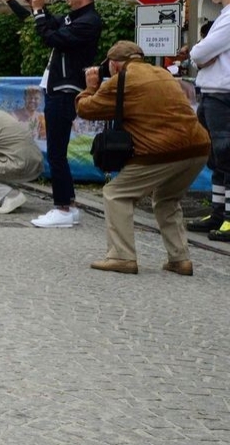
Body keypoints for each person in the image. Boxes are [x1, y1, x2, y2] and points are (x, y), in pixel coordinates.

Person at [76, 42, 210, 275]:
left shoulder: (122, 79)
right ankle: (180, 259)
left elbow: (87, 109)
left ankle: (122, 256)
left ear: (114, 65)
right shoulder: (162, 73)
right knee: (166, 199)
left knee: (116, 193)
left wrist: (90, 87)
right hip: (198, 147)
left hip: (159, 150)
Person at [17, 0, 102, 228]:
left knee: (56, 151)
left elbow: (51, 37)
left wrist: (40, 11)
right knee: (57, 151)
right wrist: (35, 6)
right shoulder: (74, 17)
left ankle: (62, 208)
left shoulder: (89, 21)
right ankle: (70, 205)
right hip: (57, 87)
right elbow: (50, 23)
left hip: (67, 89)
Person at [178, 0, 230, 241]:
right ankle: (220, 212)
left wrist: (200, 53)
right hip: (214, 92)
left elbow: (202, 51)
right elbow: (202, 53)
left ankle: (228, 218)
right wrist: (201, 53)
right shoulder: (224, 15)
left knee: (227, 155)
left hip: (224, 94)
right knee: (218, 158)